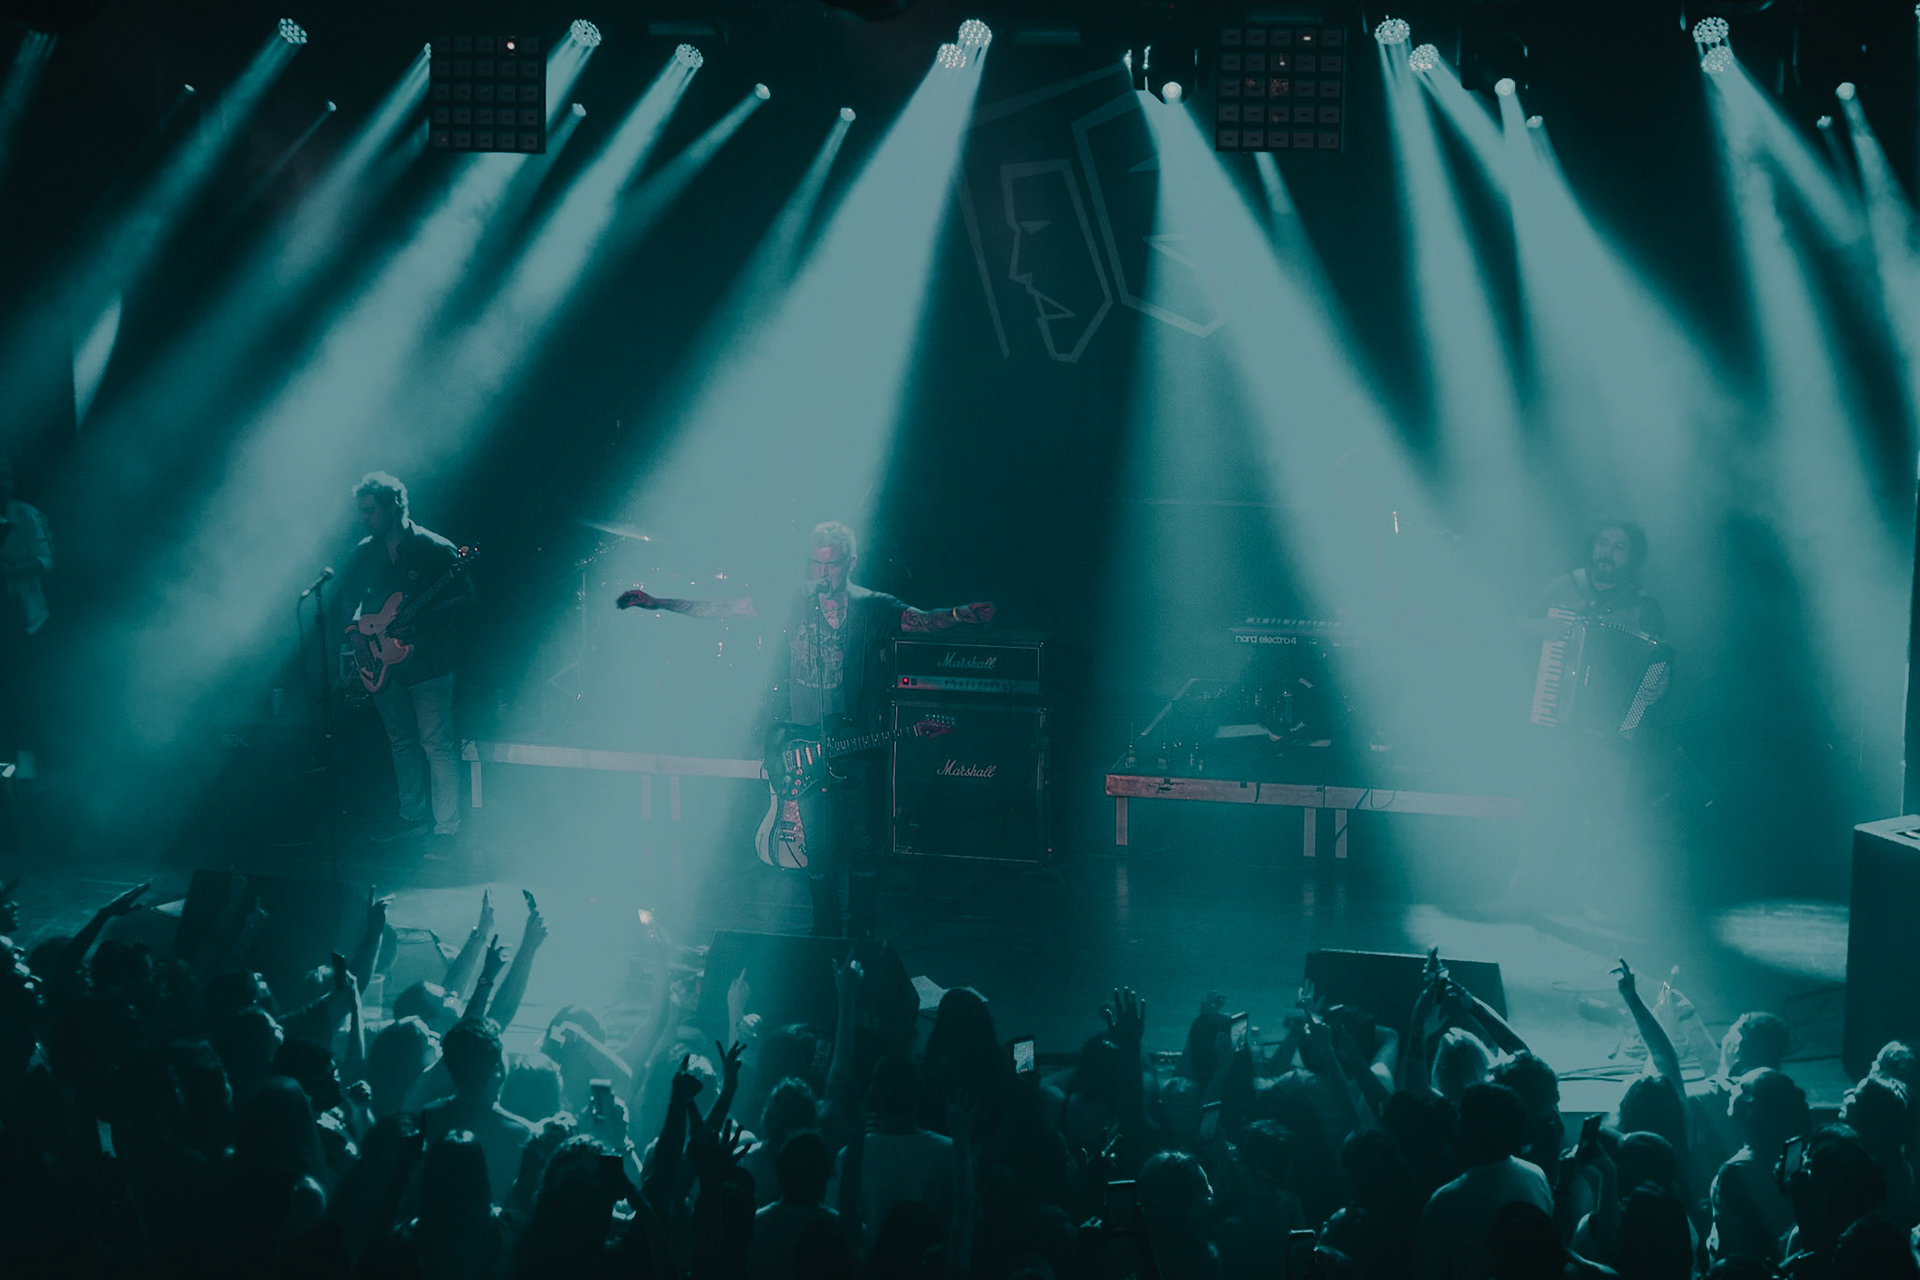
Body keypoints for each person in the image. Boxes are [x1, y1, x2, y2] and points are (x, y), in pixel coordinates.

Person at [621, 521, 994, 936]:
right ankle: (824, 936)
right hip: (806, 745)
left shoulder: (871, 606)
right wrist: (659, 603)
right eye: (816, 563)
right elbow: (728, 609)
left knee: (864, 848)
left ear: (850, 563)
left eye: (831, 564)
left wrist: (959, 615)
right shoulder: (792, 597)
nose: (822, 573)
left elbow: (919, 621)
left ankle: (861, 938)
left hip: (857, 744)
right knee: (817, 848)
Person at [1494, 520, 1670, 916]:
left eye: (1619, 547)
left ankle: (1585, 900)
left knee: (1603, 821)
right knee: (1541, 807)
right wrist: (1540, 627)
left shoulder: (1644, 607)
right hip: (1557, 721)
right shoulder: (1564, 587)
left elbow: (1660, 660)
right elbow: (1514, 626)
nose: (1608, 553)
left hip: (1612, 733)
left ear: (1632, 557)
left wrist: (1659, 685)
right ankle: (1525, 891)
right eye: (1603, 543)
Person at [338, 472, 475, 843]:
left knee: (436, 745)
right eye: (361, 511)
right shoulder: (365, 551)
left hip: (430, 662)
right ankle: (411, 815)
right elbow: (348, 595)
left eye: (370, 511)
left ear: (393, 506)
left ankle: (447, 827)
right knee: (400, 742)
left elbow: (465, 598)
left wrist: (421, 621)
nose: (364, 518)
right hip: (382, 663)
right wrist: (356, 636)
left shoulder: (434, 548)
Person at [0, 456, 52, 776]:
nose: (2, 483)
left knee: (24, 695)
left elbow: (45, 559)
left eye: (6, 477)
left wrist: (12, 571)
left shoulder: (27, 515)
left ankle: (26, 770)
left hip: (23, 619)